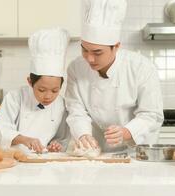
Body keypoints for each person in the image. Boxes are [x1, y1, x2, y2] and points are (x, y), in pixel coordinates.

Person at [65, 0, 164, 152]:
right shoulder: (76, 68)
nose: (89, 58)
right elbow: (76, 110)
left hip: (135, 152)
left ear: (116, 47)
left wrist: (126, 132)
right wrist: (83, 134)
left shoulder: (141, 68)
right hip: (96, 152)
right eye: (84, 50)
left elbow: (151, 115)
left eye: (97, 52)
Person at [0, 28, 70, 154]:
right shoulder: (15, 97)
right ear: (30, 82)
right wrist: (24, 140)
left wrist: (55, 146)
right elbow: (2, 128)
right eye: (41, 89)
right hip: (10, 161)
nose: (48, 96)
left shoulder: (61, 104)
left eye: (55, 90)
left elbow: (61, 138)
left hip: (42, 164)